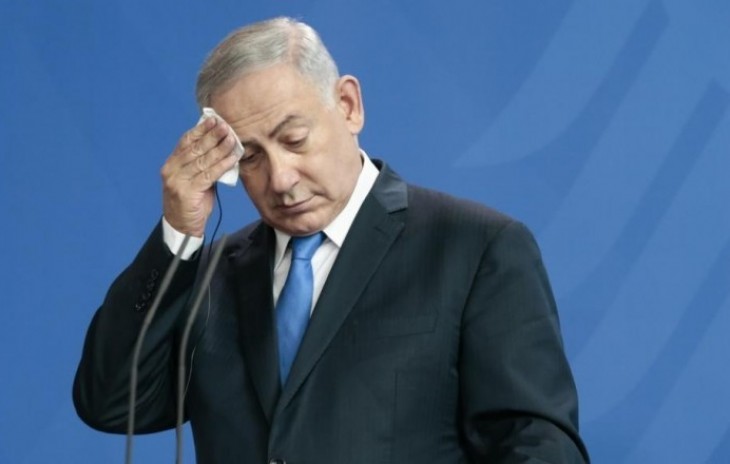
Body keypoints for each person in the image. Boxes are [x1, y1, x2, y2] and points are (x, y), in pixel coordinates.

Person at [73, 17, 590, 464]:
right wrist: (177, 235)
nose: (280, 179)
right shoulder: (211, 276)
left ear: (348, 105)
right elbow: (112, 403)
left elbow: (538, 447)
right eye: (250, 157)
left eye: (294, 140)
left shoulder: (477, 248)